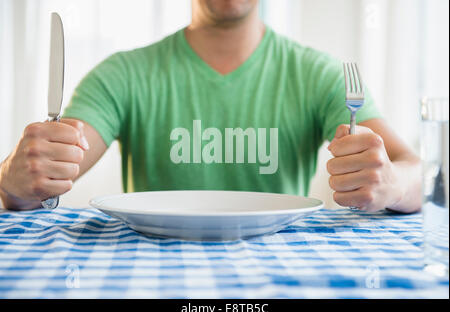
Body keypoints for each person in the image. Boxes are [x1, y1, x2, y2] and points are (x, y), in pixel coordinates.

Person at [0, 0, 421, 213]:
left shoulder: (320, 74)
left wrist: (394, 184)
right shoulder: (122, 74)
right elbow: (48, 171)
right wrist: (14, 180)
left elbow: (412, 170)